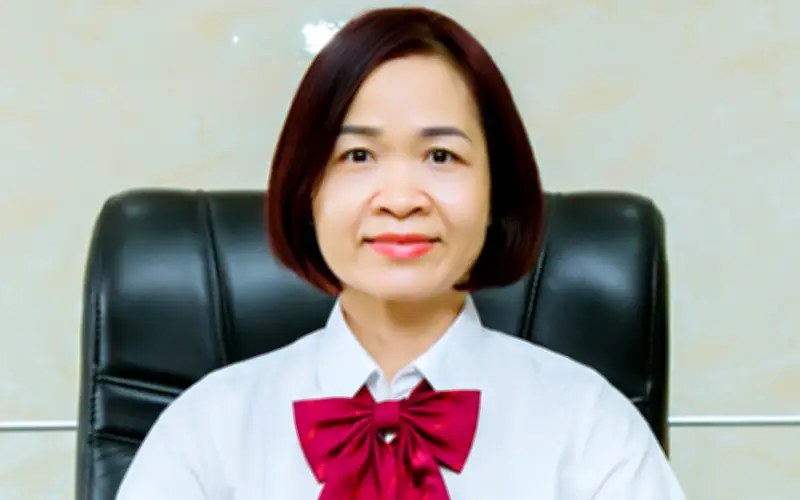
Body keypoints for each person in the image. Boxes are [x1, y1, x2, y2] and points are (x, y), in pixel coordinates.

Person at [116, 6, 687, 500]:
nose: (400, 199)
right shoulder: (206, 431)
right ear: (307, 190)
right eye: (358, 156)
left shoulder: (591, 429)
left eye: (440, 156)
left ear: (496, 192)